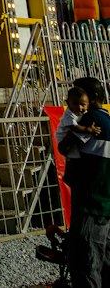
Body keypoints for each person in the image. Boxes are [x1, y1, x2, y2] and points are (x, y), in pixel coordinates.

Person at [68, 75, 110, 288]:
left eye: (79, 97)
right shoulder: (108, 120)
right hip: (105, 207)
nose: (75, 104)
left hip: (89, 207)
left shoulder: (89, 120)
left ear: (92, 98)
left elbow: (65, 147)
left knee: (87, 267)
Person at [57, 84, 93, 188]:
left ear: (88, 104)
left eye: (83, 104)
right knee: (73, 158)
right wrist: (88, 129)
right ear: (68, 103)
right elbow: (74, 127)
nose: (79, 107)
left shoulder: (85, 113)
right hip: (63, 138)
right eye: (75, 104)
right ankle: (69, 175)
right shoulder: (69, 114)